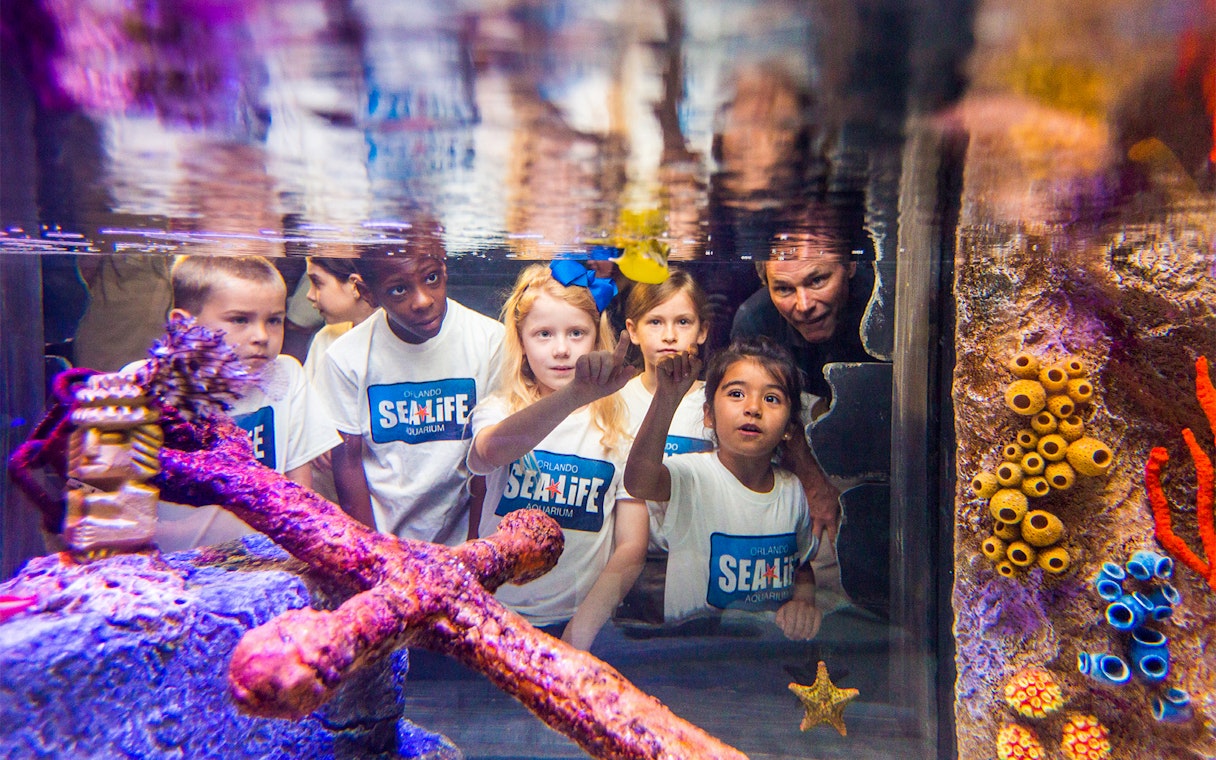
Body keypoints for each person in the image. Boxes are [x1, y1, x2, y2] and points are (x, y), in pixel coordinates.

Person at [467, 263, 647, 650]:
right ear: (521, 341)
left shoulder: (623, 421)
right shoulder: (498, 407)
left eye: (577, 333)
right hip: (492, 617)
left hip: (582, 624)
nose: (562, 348)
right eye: (544, 334)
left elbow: (631, 545)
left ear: (597, 337)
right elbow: (490, 452)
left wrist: (579, 634)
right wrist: (576, 395)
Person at [133, 254, 341, 551]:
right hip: (170, 563)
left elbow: (300, 489)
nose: (261, 336)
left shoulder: (287, 375)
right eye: (240, 319)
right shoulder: (145, 385)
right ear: (184, 323)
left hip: (264, 559)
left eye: (274, 320)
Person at [623, 337, 821, 640]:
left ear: (789, 429)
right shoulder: (692, 475)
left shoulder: (792, 490)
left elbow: (802, 566)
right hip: (692, 656)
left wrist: (803, 603)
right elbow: (638, 481)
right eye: (737, 394)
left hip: (768, 656)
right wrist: (667, 398)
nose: (753, 408)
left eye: (771, 399)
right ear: (709, 415)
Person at [320, 236, 505, 546]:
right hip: (384, 535)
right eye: (399, 289)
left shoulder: (489, 340)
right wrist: (375, 552)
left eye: (431, 278)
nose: (422, 300)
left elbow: (488, 461)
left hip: (462, 536)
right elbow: (348, 462)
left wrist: (474, 547)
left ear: (444, 268)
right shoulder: (346, 357)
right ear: (367, 292)